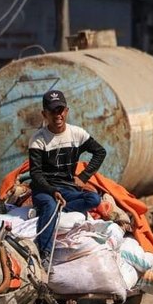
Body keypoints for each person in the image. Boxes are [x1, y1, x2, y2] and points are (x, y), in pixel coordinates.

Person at [28, 89, 106, 269]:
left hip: (68, 189)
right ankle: (45, 253)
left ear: (67, 111)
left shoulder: (77, 134)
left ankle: (60, 208)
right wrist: (52, 191)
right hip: (45, 190)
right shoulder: (38, 140)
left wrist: (84, 176)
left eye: (61, 110)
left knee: (94, 199)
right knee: (49, 205)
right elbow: (36, 174)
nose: (58, 115)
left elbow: (100, 152)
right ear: (44, 114)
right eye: (53, 111)